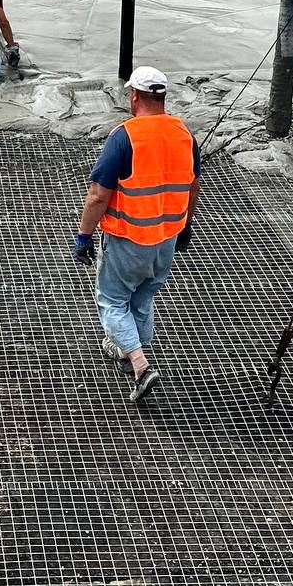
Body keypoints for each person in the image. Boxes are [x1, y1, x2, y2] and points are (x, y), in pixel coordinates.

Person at [72, 65, 200, 405]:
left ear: (134, 96)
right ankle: (132, 354)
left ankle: (141, 366)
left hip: (129, 237)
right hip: (167, 238)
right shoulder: (184, 134)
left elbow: (98, 195)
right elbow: (192, 184)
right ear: (162, 97)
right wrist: (185, 225)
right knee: (143, 298)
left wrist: (84, 236)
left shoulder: (124, 137)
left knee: (112, 300)